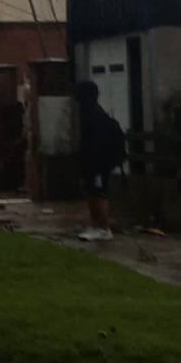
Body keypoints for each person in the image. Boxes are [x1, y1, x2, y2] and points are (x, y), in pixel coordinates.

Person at [75, 80, 125, 242]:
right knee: (92, 193)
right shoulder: (89, 112)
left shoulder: (93, 115)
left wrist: (93, 163)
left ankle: (104, 228)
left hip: (98, 163)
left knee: (98, 194)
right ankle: (95, 226)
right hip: (92, 163)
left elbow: (94, 143)